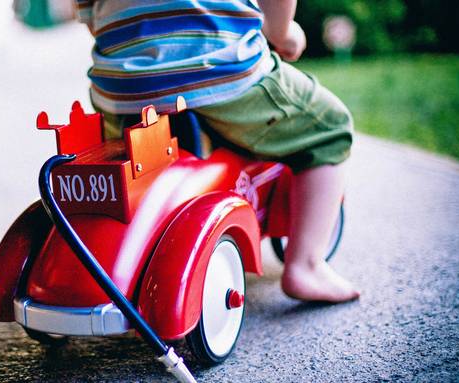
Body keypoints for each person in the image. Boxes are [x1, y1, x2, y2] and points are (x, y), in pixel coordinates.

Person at [74, 0, 360, 303]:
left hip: (120, 87)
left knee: (133, 167)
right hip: (220, 71)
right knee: (331, 126)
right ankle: (307, 265)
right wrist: (284, 32)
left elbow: (90, 13)